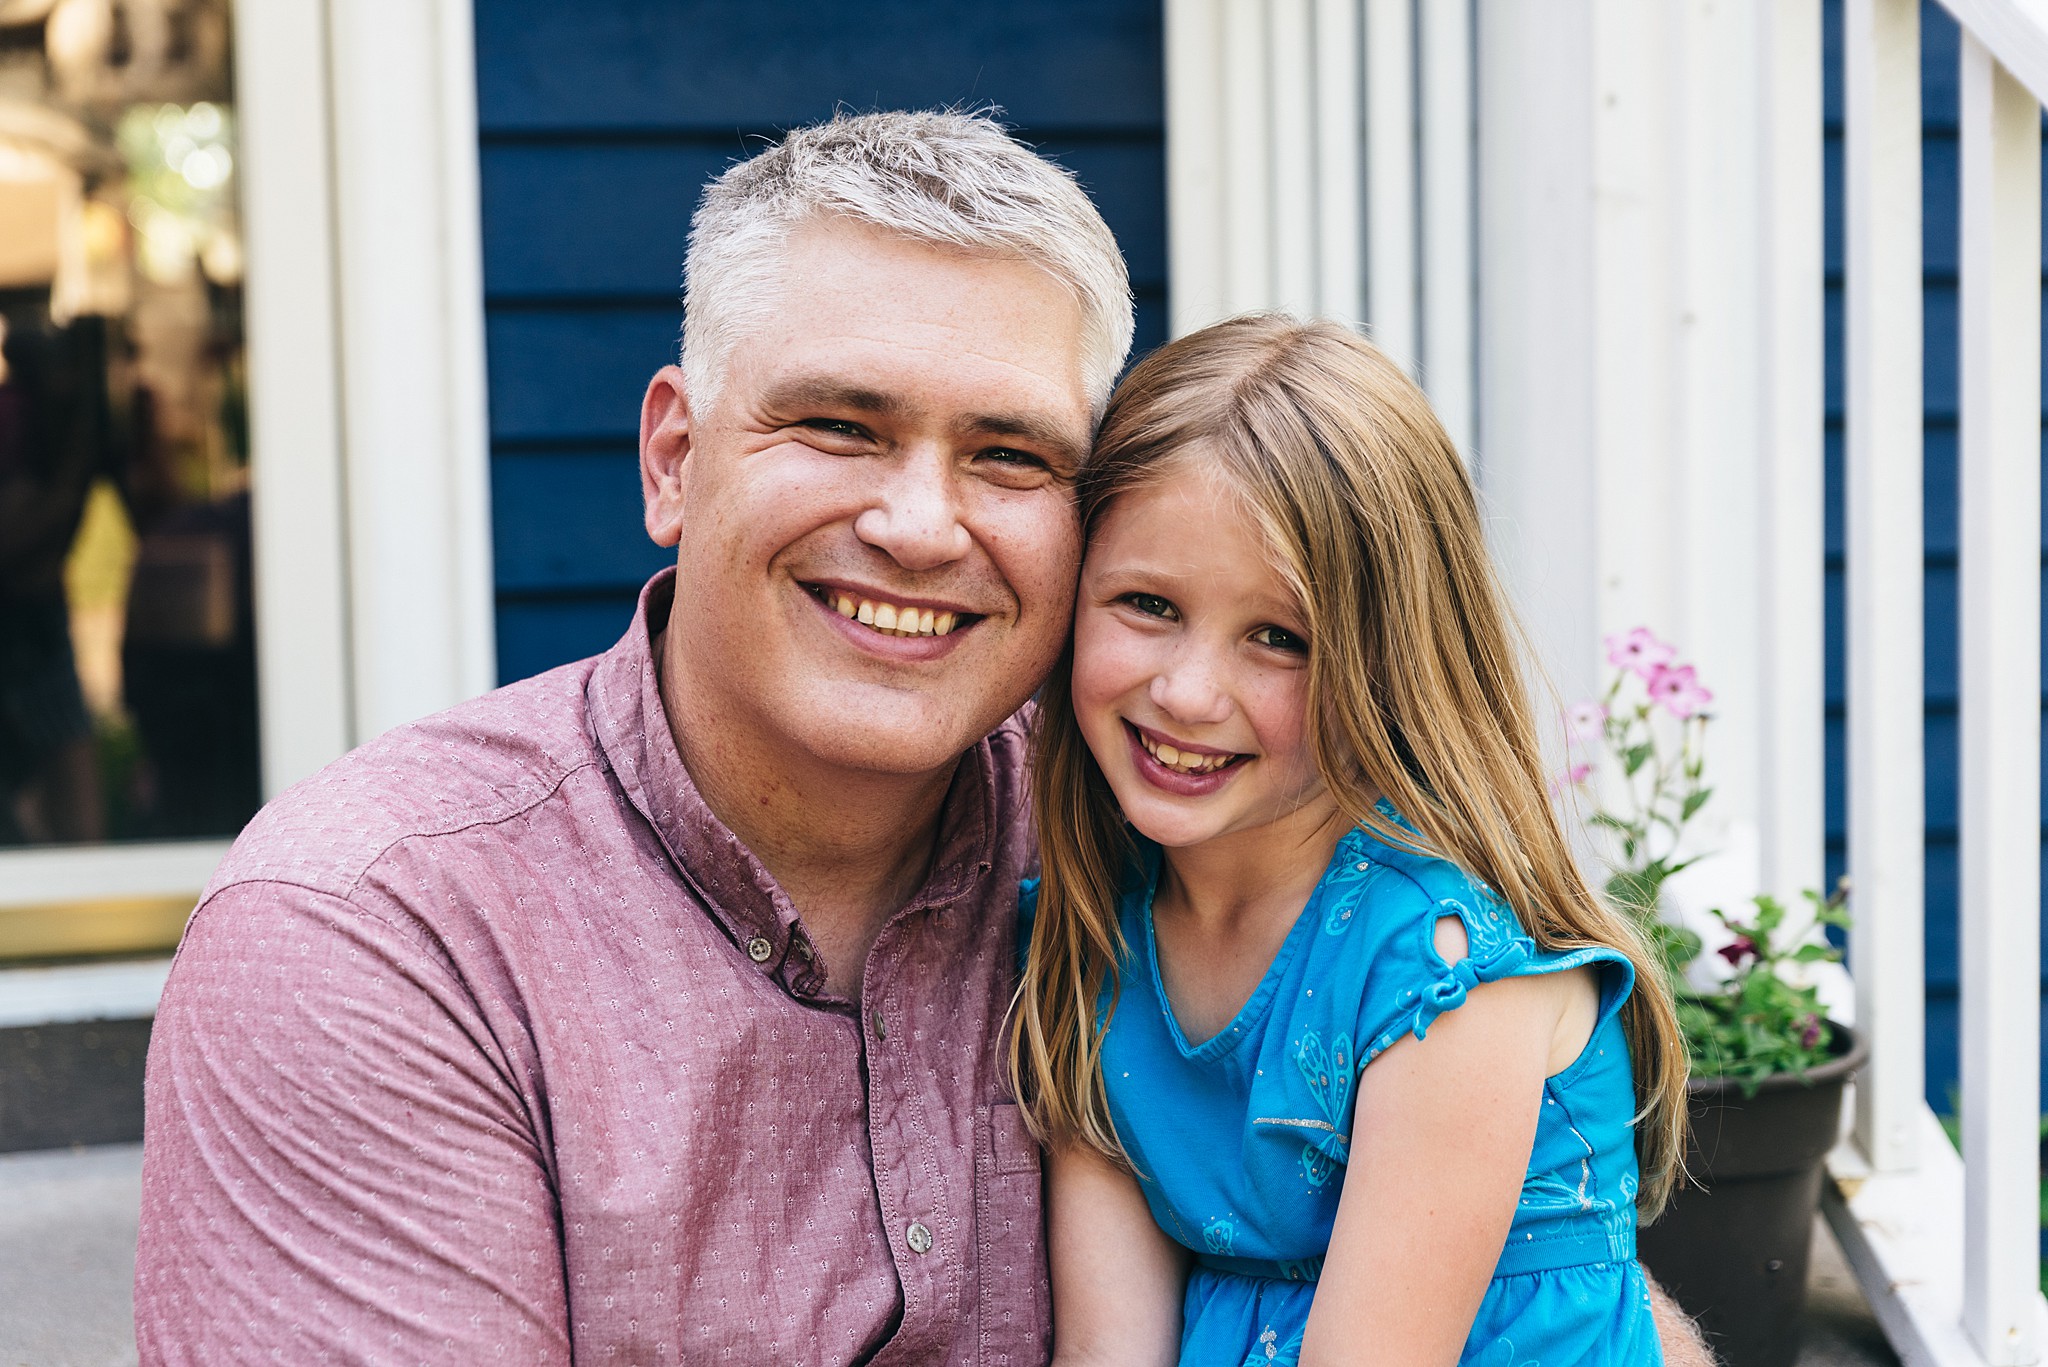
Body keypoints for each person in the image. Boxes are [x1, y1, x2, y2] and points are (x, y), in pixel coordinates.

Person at [136, 112, 1713, 1365]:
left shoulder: (1146, 842)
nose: (916, 521)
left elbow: (1548, 1273)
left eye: (1010, 452)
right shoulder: (373, 940)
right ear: (676, 459)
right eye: (839, 423)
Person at [1014, 315, 1690, 1366]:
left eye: (1277, 638)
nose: (1188, 690)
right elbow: (1108, 1353)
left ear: (1389, 664)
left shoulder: (1440, 970)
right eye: (1146, 603)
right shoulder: (1092, 931)